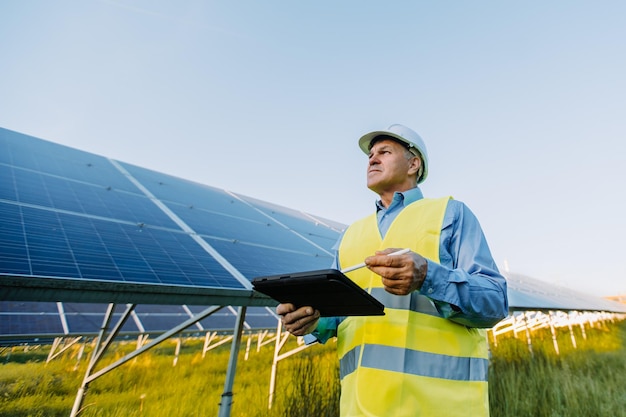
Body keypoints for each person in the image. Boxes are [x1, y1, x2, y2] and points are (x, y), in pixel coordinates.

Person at [276, 123, 508, 417]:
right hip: (359, 408)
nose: (372, 159)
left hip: (440, 406)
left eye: (384, 152)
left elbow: (495, 302)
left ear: (414, 164)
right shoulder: (351, 235)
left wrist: (428, 277)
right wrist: (313, 320)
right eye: (370, 155)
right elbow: (341, 315)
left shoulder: (451, 214)